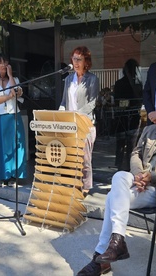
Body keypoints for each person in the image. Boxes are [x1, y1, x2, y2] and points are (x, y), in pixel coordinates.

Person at [77, 92, 156, 276]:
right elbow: (135, 153)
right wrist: (138, 175)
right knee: (119, 176)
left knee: (112, 197)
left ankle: (100, 258)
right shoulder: (150, 130)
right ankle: (117, 241)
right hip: (138, 182)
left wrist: (152, 177)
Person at [59, 46, 99, 195]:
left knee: (84, 158)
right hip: (70, 125)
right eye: (74, 58)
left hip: (85, 124)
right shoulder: (68, 79)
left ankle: (86, 187)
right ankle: (73, 184)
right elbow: (64, 101)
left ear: (86, 62)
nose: (75, 62)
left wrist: (76, 115)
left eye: (79, 59)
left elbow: (92, 103)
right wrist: (60, 114)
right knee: (71, 157)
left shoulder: (92, 79)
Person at [0, 53, 27, 187]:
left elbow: (17, 92)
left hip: (12, 116)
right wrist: (8, 97)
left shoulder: (14, 78)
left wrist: (10, 76)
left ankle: (14, 175)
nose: (2, 65)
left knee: (14, 146)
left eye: (5, 62)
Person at [113, 58, 143, 171]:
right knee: (127, 144)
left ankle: (123, 167)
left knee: (127, 144)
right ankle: (124, 168)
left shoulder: (136, 84)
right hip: (125, 117)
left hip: (129, 117)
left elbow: (139, 100)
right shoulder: (124, 84)